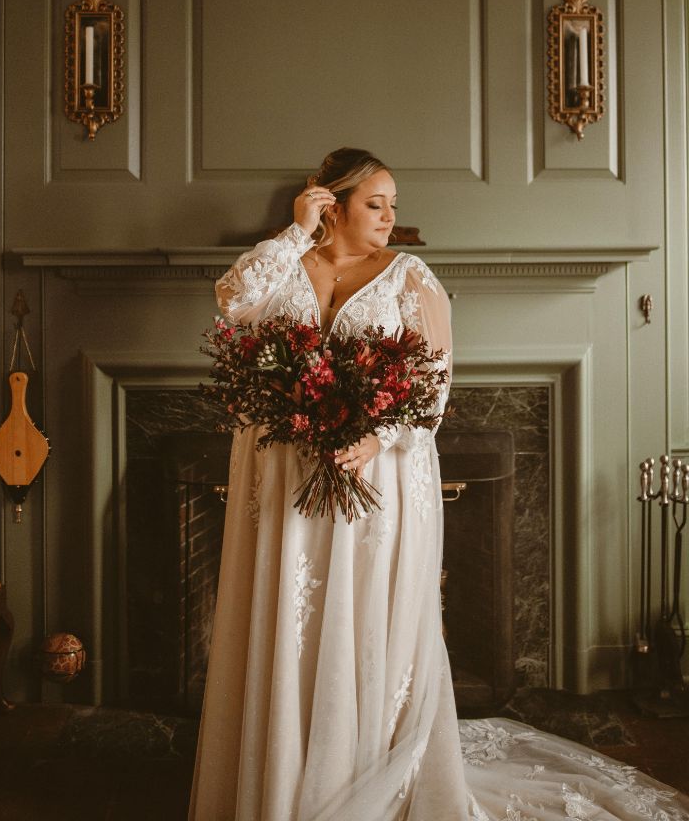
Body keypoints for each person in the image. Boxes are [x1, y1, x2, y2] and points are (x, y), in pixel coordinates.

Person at [190, 148, 689, 821]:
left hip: (381, 479)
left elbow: (433, 386)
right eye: (376, 204)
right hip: (290, 481)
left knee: (366, 620)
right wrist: (292, 233)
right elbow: (232, 303)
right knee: (297, 622)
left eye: (395, 204)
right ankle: (286, 779)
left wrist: (375, 438)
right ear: (331, 205)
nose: (391, 217)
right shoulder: (286, 269)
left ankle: (362, 775)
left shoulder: (408, 276)